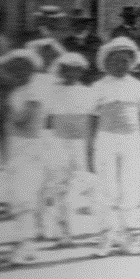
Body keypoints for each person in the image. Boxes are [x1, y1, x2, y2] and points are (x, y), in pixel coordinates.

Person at [86, 36, 140, 257]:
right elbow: (91, 120)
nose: (120, 65)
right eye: (115, 61)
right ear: (106, 63)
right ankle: (106, 236)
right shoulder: (98, 87)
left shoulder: (138, 87)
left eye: (125, 60)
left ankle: (128, 236)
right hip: (106, 140)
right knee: (106, 187)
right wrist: (89, 148)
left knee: (130, 187)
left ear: (132, 62)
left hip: (132, 140)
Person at [0, 49, 49, 263]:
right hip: (17, 146)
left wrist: (9, 115)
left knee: (25, 195)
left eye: (22, 67)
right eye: (14, 68)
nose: (18, 72)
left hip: (30, 146)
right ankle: (26, 244)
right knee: (18, 196)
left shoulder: (34, 89)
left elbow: (24, 119)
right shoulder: (15, 92)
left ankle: (25, 243)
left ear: (31, 69)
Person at [42, 52, 94, 244]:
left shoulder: (87, 92)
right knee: (59, 185)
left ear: (81, 72)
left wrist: (88, 148)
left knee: (81, 184)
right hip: (57, 142)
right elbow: (47, 120)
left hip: (79, 143)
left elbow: (88, 122)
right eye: (67, 70)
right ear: (61, 71)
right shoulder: (52, 92)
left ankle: (82, 226)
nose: (71, 74)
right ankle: (62, 230)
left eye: (76, 70)